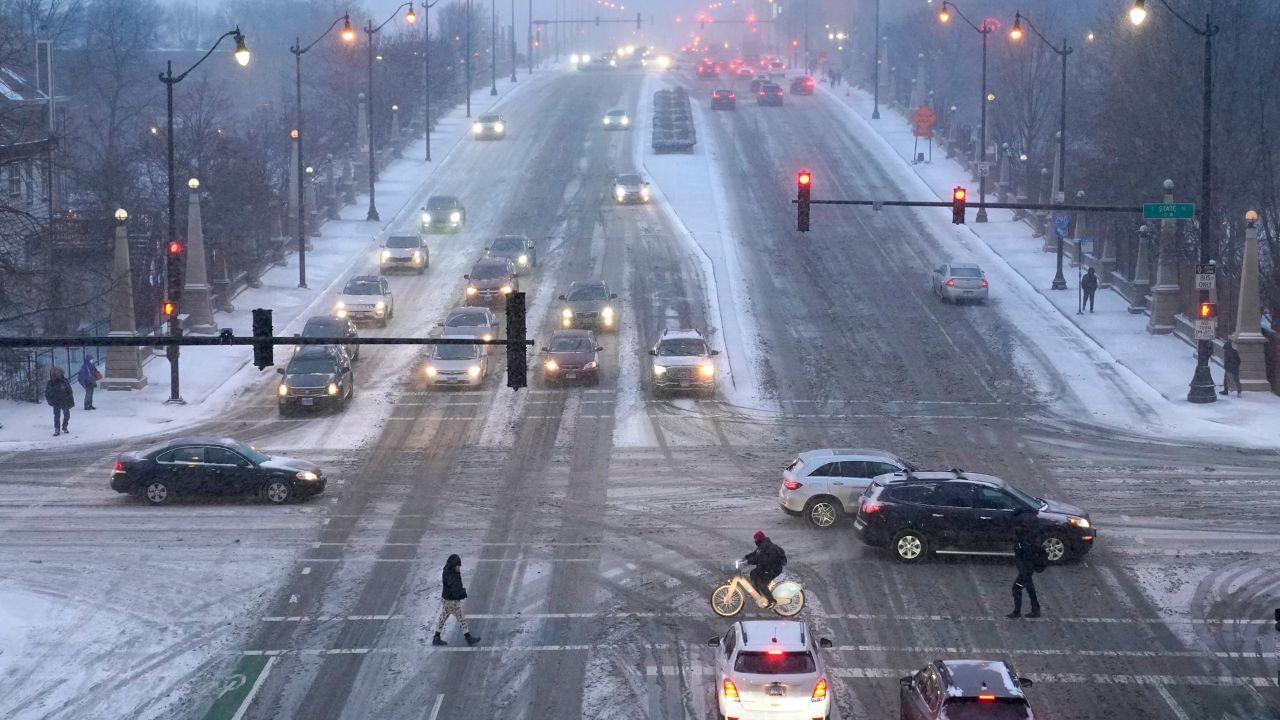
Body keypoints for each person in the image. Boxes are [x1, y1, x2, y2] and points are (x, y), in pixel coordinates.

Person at [433, 554, 480, 646]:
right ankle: (468, 638)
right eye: (458, 566)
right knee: (461, 618)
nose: (459, 568)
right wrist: (462, 593)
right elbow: (455, 588)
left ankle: (436, 637)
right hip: (452, 601)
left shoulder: (448, 571)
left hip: (447, 599)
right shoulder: (452, 574)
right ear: (454, 565)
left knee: (443, 618)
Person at [1008, 512, 1043, 619]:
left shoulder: (1023, 542)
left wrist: (1024, 572)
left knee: (1016, 588)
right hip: (1027, 570)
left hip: (1025, 571)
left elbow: (1026, 558)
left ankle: (1017, 612)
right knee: (1029, 587)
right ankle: (1035, 609)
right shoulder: (1028, 537)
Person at [743, 531, 786, 608]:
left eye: (756, 540)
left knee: (761, 584)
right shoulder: (762, 545)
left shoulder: (766, 547)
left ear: (759, 540)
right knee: (753, 573)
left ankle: (771, 601)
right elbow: (755, 554)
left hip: (773, 569)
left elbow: (758, 558)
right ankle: (757, 594)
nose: (755, 541)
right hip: (767, 566)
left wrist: (747, 562)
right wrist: (745, 558)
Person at [45, 367, 75, 437]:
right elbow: (47, 393)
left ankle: (64, 426)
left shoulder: (64, 381)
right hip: (56, 401)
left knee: (67, 415)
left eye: (59, 372)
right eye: (56, 372)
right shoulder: (51, 382)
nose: (58, 374)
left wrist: (69, 398)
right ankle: (57, 429)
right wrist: (50, 400)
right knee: (57, 416)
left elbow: (69, 390)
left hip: (64, 400)